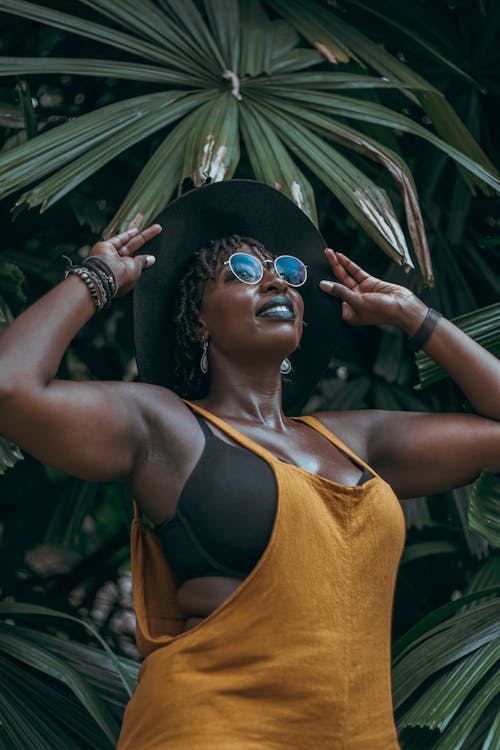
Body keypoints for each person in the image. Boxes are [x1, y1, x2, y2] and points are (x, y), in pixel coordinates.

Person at [0, 180, 499, 750]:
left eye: (285, 271)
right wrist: (97, 278)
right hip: (211, 730)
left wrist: (416, 315)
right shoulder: (167, 428)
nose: (272, 279)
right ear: (198, 322)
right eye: (239, 270)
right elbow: (11, 388)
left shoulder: (359, 440)